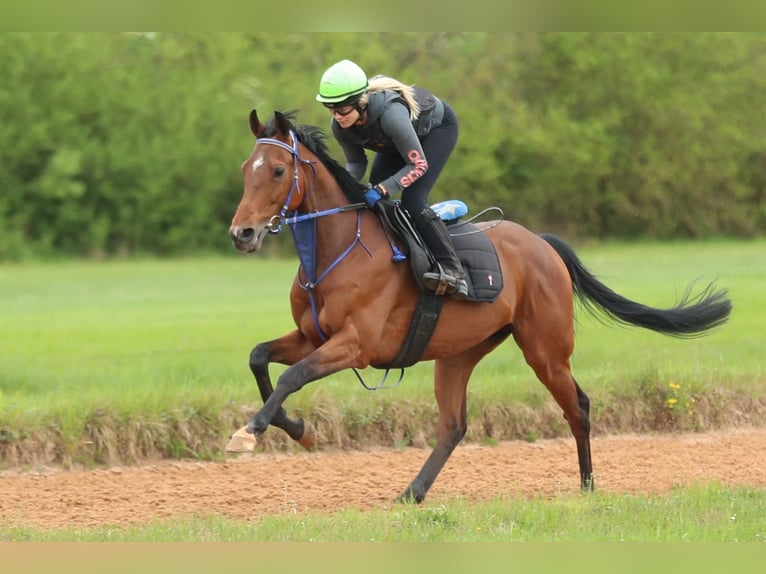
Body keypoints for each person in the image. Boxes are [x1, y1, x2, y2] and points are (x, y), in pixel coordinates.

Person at [315, 59, 468, 300]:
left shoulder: (391, 115)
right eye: (331, 109)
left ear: (361, 103)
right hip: (396, 144)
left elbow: (418, 164)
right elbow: (356, 163)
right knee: (375, 198)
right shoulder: (340, 125)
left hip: (436, 132)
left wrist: (385, 188)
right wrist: (342, 190)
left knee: (413, 200)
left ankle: (452, 269)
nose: (337, 116)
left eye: (342, 109)